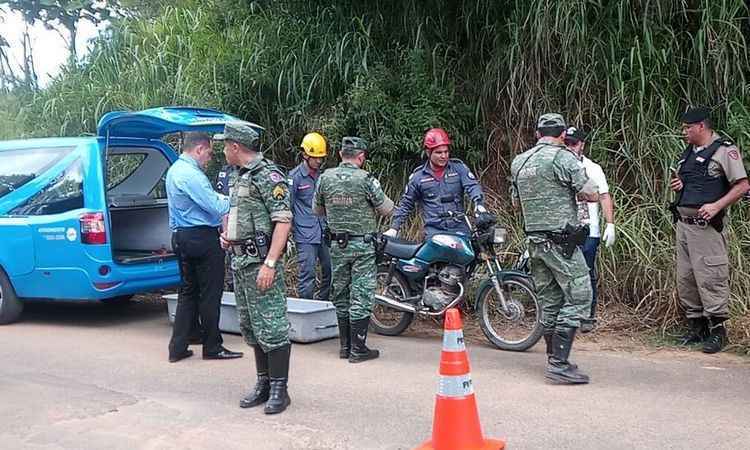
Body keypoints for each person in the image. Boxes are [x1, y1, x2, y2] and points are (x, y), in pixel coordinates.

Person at [510, 113, 599, 384]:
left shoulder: (519, 162)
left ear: (538, 134)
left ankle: (553, 358)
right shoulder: (563, 158)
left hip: (535, 242)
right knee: (580, 294)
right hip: (561, 242)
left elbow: (515, 202)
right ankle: (559, 364)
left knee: (550, 300)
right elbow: (592, 193)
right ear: (562, 135)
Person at [217, 121, 293, 414]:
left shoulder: (268, 175)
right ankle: (263, 383)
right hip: (240, 261)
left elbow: (283, 221)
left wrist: (270, 263)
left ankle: (279, 389)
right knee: (252, 326)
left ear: (236, 147)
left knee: (272, 326)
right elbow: (239, 216)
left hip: (261, 264)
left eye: (225, 145)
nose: (223, 150)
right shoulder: (237, 176)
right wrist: (229, 238)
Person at [670, 106, 749, 353]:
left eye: (688, 128)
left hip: (707, 228)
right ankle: (697, 327)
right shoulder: (690, 152)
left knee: (711, 277)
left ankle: (717, 330)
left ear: (701, 126)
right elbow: (697, 181)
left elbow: (743, 185)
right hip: (684, 225)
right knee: (687, 278)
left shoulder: (725, 150)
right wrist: (681, 185)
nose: (684, 132)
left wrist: (716, 206)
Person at [313, 137, 394, 362]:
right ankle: (358, 348)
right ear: (361, 157)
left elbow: (317, 210)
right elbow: (387, 209)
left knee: (340, 291)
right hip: (363, 246)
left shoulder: (325, 178)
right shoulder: (366, 179)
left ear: (340, 154)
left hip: (338, 245)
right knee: (361, 292)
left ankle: (344, 346)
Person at [165, 131, 243, 363]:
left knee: (188, 293)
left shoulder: (174, 171)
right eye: (208, 152)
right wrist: (237, 198)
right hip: (201, 239)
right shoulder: (191, 174)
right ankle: (212, 346)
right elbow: (215, 205)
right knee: (210, 294)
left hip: (182, 236)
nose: (209, 158)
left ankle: (178, 346)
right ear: (199, 149)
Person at [384, 128, 486, 238]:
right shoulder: (418, 177)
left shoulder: (459, 169)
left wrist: (479, 204)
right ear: (428, 152)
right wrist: (394, 228)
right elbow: (406, 204)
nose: (444, 156)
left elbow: (472, 186)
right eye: (439, 152)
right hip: (434, 233)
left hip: (460, 229)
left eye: (446, 152)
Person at [564, 127, 616, 333]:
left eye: (573, 143)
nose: (570, 147)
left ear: (582, 145)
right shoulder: (558, 165)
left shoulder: (592, 168)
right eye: (566, 143)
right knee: (565, 273)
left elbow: (603, 195)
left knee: (586, 272)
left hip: (587, 228)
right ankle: (567, 314)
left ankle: (588, 315)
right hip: (564, 229)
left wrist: (610, 224)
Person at [289, 132, 332, 301]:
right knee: (308, 273)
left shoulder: (323, 176)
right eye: (315, 157)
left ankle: (323, 303)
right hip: (305, 234)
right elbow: (288, 207)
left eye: (321, 158)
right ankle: (305, 307)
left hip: (324, 231)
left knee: (330, 269)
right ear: (305, 155)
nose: (319, 161)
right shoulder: (295, 177)